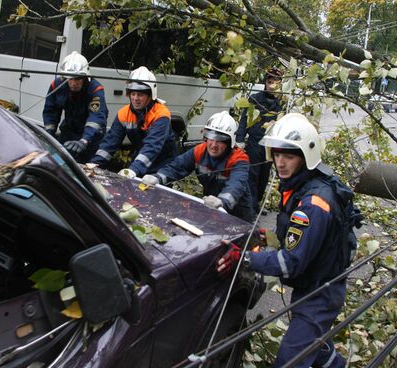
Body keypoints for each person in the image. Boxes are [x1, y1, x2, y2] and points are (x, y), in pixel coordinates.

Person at [217, 113, 362, 368]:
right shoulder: (303, 184)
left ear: (306, 157)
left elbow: (289, 263)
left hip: (319, 293)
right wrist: (270, 237)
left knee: (290, 360)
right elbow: (302, 239)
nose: (280, 163)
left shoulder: (313, 204)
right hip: (317, 284)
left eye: (289, 156)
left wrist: (244, 258)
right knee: (314, 345)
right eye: (276, 154)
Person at [142, 111, 254, 222]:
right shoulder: (199, 151)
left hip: (238, 213)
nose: (213, 145)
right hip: (210, 206)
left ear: (230, 141)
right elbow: (176, 167)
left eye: (220, 141)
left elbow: (236, 185)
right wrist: (157, 177)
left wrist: (223, 201)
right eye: (211, 138)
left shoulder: (239, 159)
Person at [90, 66, 176, 177]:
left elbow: (152, 146)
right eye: (133, 94)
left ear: (150, 96)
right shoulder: (124, 114)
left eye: (140, 94)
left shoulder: (161, 114)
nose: (135, 98)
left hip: (163, 164)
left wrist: (134, 169)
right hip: (141, 159)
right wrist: (94, 164)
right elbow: (110, 143)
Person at [43, 51, 108, 163]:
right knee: (60, 164)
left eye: (78, 78)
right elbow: (51, 110)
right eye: (70, 79)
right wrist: (49, 133)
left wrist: (84, 141)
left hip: (90, 138)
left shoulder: (95, 89)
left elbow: (96, 117)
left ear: (85, 77)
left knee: (86, 170)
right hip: (68, 133)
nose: (74, 83)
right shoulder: (57, 85)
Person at [236, 66, 284, 215]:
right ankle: (250, 206)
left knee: (264, 175)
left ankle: (256, 203)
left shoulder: (282, 103)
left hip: (270, 145)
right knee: (252, 175)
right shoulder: (255, 98)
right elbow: (244, 119)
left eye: (275, 83)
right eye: (270, 82)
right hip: (255, 143)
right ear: (265, 83)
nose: (272, 86)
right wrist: (240, 139)